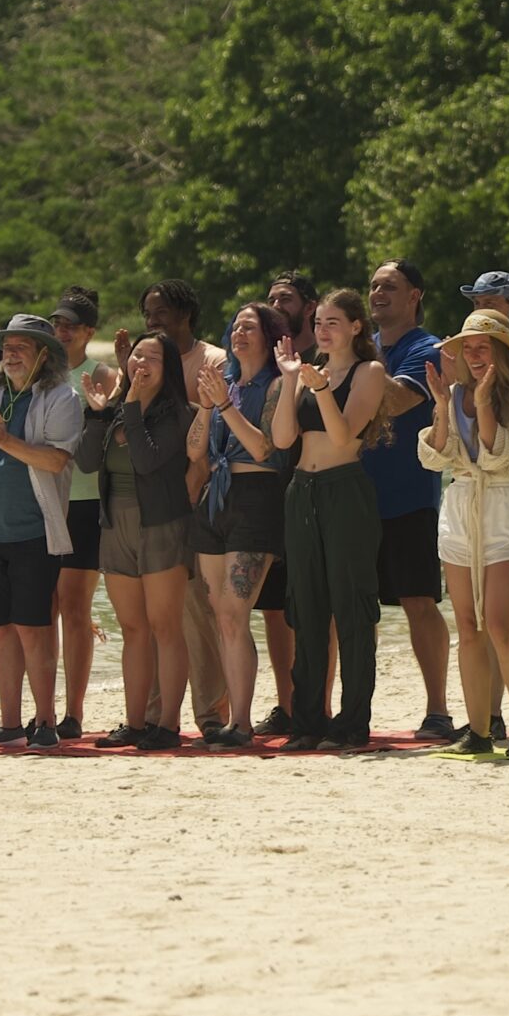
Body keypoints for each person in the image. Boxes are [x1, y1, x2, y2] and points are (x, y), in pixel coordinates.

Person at [269, 289, 390, 749]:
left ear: (357, 326)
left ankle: (351, 723)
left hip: (345, 490)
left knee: (352, 609)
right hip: (302, 491)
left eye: (333, 321)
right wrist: (289, 383)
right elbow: (283, 440)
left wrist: (320, 389)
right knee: (306, 609)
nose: (322, 329)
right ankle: (307, 724)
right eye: (318, 321)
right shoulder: (303, 373)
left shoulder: (369, 371)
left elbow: (343, 436)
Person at [0, 314, 82, 749]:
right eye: (6, 346)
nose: (9, 353)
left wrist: (3, 440)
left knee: (35, 628)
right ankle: (9, 723)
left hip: (36, 531)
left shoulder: (61, 397)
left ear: (43, 355)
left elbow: (56, 461)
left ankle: (44, 721)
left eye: (20, 347)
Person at [418, 310, 509, 755]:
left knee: (500, 624)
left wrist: (486, 401)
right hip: (461, 504)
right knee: (468, 626)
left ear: (502, 352)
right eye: (466, 347)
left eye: (482, 347)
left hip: (504, 504)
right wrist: (439, 406)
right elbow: (437, 455)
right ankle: (479, 730)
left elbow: (501, 459)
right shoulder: (452, 395)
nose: (472, 355)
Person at [78, 333, 205, 750]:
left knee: (165, 626)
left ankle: (167, 724)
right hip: (116, 526)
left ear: (167, 368)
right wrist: (98, 416)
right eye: (136, 356)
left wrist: (129, 405)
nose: (141, 363)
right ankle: (134, 724)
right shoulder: (116, 413)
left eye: (152, 358)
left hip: (162, 524)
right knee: (133, 629)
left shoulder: (179, 414)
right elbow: (85, 461)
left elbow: (149, 460)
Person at [365, 259, 457, 741]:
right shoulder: (363, 349)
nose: (378, 293)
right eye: (373, 286)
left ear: (415, 295)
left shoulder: (429, 347)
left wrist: (352, 375)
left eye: (390, 286)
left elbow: (395, 401)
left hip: (410, 497)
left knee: (419, 602)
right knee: (356, 607)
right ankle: (353, 707)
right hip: (357, 498)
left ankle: (438, 710)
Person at [135, 280, 230, 738]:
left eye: (161, 312)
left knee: (198, 612)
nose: (153, 321)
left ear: (186, 313)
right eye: (148, 314)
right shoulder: (141, 361)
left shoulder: (213, 361)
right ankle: (153, 713)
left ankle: (211, 715)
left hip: (198, 502)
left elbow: (207, 438)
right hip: (152, 511)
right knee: (157, 618)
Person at [193, 303, 288, 747]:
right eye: (235, 327)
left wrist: (225, 406)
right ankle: (235, 719)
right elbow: (197, 450)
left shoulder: (275, 384)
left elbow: (264, 447)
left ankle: (243, 722)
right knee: (222, 617)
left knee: (235, 613)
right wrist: (206, 404)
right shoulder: (224, 383)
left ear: (270, 336)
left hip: (256, 498)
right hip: (216, 499)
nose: (239, 334)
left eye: (250, 327)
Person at [52, 286, 121, 738]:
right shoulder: (41, 375)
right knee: (42, 608)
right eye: (56, 323)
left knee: (75, 608)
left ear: (88, 332)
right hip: (42, 501)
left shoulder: (103, 375)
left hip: (85, 501)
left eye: (70, 326)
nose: (61, 331)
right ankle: (38, 706)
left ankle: (73, 711)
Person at [255, 272, 320, 735]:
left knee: (321, 605)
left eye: (287, 298)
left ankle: (319, 702)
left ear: (310, 306)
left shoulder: (324, 358)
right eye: (272, 298)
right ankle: (287, 702)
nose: (278, 304)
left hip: (319, 488)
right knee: (275, 608)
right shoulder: (268, 359)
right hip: (271, 492)